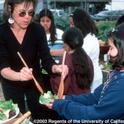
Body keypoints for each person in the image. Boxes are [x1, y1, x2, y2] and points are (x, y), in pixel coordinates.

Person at [0, 0, 68, 120]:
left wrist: (56, 67)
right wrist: (19, 76)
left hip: (35, 84)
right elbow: (3, 67)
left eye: (30, 13)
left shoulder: (37, 30)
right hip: (11, 84)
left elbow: (46, 59)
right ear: (10, 9)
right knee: (18, 118)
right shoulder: (2, 32)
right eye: (22, 13)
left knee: (40, 117)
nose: (27, 17)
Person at [46, 23, 124, 120]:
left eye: (111, 48)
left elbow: (96, 115)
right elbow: (95, 98)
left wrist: (62, 105)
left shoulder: (121, 83)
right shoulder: (116, 73)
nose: (108, 53)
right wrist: (65, 99)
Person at [51, 27, 94, 95]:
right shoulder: (87, 57)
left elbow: (61, 87)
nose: (63, 45)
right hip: (86, 98)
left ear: (67, 44)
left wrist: (52, 75)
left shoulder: (67, 59)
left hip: (71, 101)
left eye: (63, 42)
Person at [70, 8, 103, 92]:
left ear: (79, 24)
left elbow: (77, 57)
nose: (71, 27)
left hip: (92, 78)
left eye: (72, 24)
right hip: (90, 76)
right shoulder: (87, 37)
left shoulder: (89, 40)